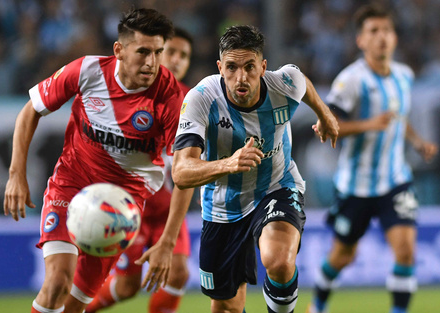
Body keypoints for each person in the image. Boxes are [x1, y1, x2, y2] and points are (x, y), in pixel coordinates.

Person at [3, 8, 193, 313]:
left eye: (158, 52)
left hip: (122, 208)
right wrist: (16, 173)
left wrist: (167, 241)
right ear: (118, 49)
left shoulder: (170, 98)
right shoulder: (87, 71)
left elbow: (185, 173)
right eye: (143, 51)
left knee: (75, 305)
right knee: (55, 286)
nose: (152, 62)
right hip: (71, 186)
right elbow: (31, 110)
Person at [140, 25, 339, 313]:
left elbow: (303, 83)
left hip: (276, 186)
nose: (241, 77)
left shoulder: (284, 84)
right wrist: (229, 163)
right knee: (226, 306)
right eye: (232, 67)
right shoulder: (200, 99)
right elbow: (181, 172)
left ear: (263, 66)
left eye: (249, 66)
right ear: (220, 67)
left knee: (279, 260)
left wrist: (325, 114)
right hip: (223, 204)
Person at [306, 4, 438, 313]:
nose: (381, 37)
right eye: (373, 31)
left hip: (395, 180)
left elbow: (398, 117)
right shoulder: (350, 80)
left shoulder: (404, 75)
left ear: (395, 37)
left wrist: (418, 143)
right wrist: (367, 124)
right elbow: (329, 125)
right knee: (342, 256)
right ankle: (318, 305)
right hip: (357, 186)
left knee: (405, 251)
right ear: (360, 40)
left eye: (387, 31)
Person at [85, 27, 194, 313]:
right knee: (127, 286)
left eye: (184, 55)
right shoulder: (135, 92)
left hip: (168, 209)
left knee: (179, 272)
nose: (177, 60)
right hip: (131, 207)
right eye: (171, 52)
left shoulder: (195, 100)